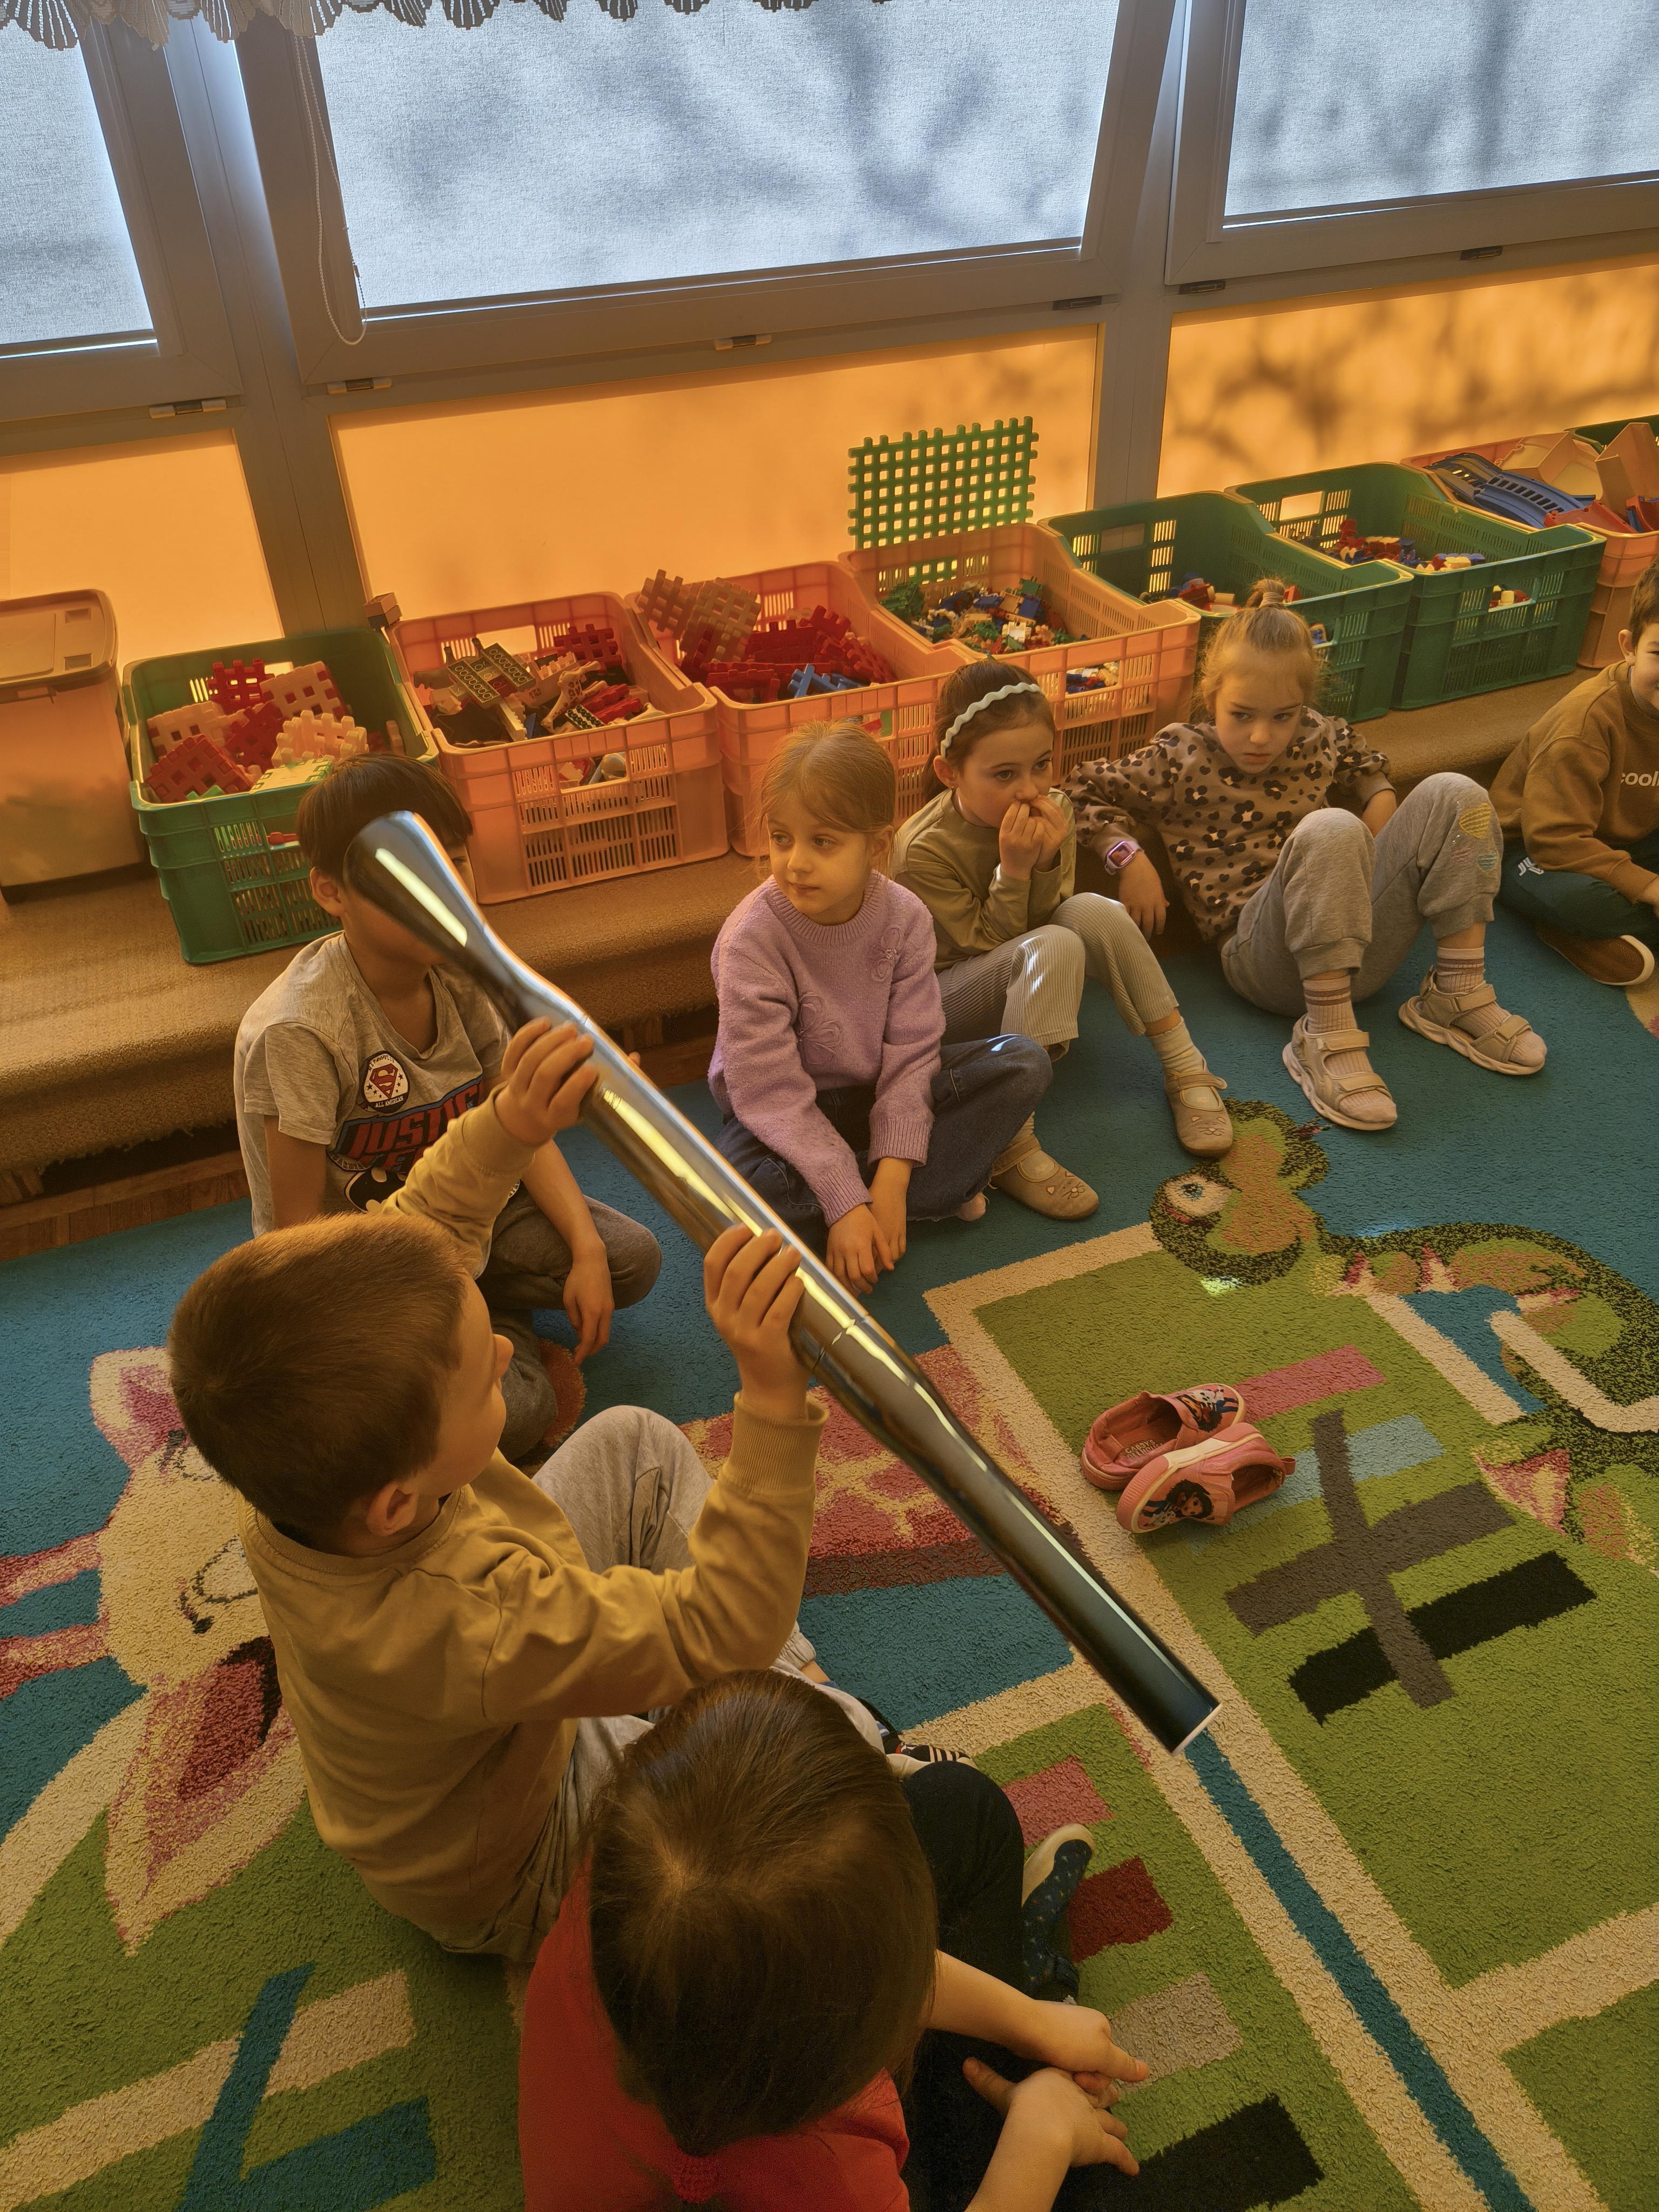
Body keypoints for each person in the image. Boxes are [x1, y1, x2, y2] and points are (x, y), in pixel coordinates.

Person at [173, 1017, 880, 1961]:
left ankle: (796, 1689)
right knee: (815, 1770)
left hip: (485, 1711)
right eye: (483, 1380)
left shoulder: (287, 1453)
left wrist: (508, 1122)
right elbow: (717, 1628)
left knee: (635, 1443)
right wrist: (773, 1399)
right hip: (522, 1849)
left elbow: (422, 1233)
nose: (510, 1351)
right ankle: (839, 1723)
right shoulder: (467, 1621)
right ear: (398, 1503)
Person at [519, 1669, 1150, 2212]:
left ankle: (1031, 2003)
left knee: (962, 1806)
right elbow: (866, 1968)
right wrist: (1042, 2138)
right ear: (859, 2032)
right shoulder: (835, 2175)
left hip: (731, 2065)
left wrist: (1028, 2023)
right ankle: (1034, 1990)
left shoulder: (620, 1880)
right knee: (1090, 2158)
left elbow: (823, 1965)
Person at [231, 754, 660, 1461]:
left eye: (453, 863)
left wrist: (585, 1248)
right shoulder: (301, 1030)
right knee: (520, 1414)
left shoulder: (464, 977)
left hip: (472, 1214)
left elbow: (517, 1124)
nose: (441, 892)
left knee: (629, 1260)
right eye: (405, 876)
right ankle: (483, 1315)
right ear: (332, 892)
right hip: (369, 1265)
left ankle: (486, 1304)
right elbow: (297, 1241)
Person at [1065, 579, 1547, 1132]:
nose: (1262, 736)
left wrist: (1380, 793)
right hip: (1262, 959)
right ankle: (1324, 1033)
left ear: (1304, 706)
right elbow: (1079, 788)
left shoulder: (1318, 734)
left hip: (1355, 938)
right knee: (1332, 827)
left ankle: (1455, 992)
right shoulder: (1180, 754)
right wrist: (1127, 856)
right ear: (1211, 696)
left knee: (1461, 794)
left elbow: (1359, 756)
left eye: (1283, 716)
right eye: (1241, 714)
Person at [711, 721, 1053, 1295]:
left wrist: (890, 1181)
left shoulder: (906, 917)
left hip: (876, 1093)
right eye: (781, 838)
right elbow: (769, 1094)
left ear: (875, 846)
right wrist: (846, 1199)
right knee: (733, 1192)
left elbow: (913, 1053)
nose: (795, 863)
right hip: (781, 1114)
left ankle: (873, 1198)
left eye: (823, 842)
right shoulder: (750, 940)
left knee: (1023, 1063)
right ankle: (900, 1197)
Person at [893, 660, 1234, 1223]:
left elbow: (1056, 918)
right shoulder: (922, 849)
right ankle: (1008, 1141)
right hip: (941, 1003)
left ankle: (1185, 1065)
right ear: (949, 772)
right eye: (1004, 774)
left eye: (1041, 765)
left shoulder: (1058, 809)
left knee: (1091, 910)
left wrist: (1046, 860)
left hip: (1024, 970)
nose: (1031, 790)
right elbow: (986, 946)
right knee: (1051, 944)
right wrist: (1015, 870)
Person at [1494, 552, 1659, 987]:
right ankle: (1571, 930)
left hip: (1626, 839)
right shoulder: (1585, 723)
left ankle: (1624, 933)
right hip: (1533, 851)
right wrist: (1649, 888)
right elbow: (1554, 840)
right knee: (1583, 902)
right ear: (1629, 647)